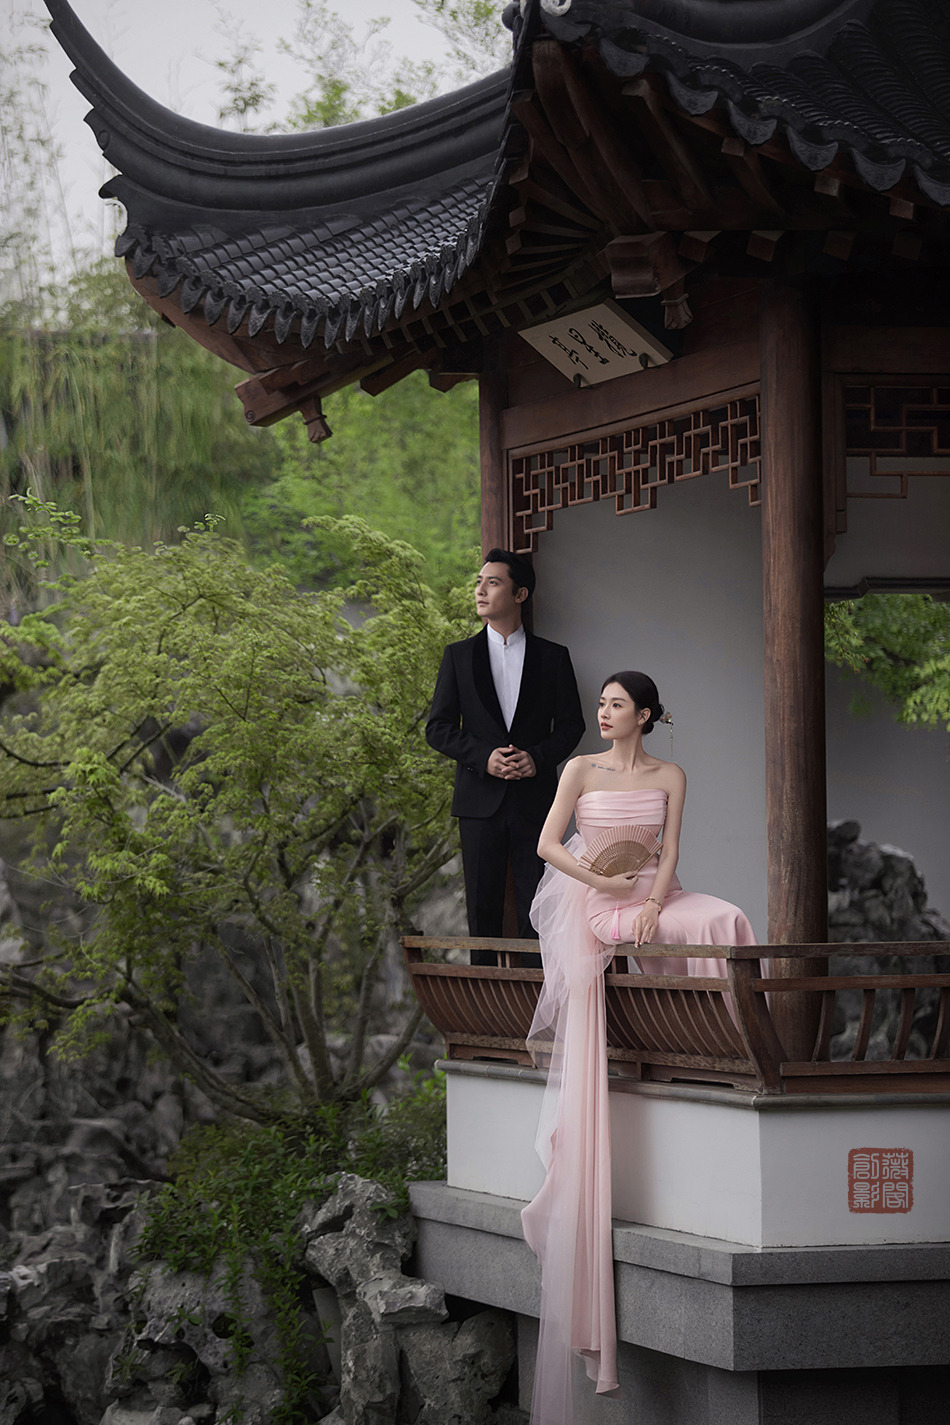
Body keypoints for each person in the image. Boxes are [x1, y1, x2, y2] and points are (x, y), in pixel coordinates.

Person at [521, 670, 756, 1425]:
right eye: (603, 703)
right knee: (653, 923)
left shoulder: (670, 775)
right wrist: (601, 879)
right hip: (599, 901)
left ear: (645, 715)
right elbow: (546, 843)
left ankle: (729, 1044)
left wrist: (655, 898)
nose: (605, 711)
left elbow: (672, 847)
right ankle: (694, 1038)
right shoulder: (579, 769)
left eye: (617, 704)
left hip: (658, 893)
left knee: (723, 918)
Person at [426, 549, 585, 964]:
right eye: (479, 582)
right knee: (482, 911)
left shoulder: (553, 657)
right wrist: (484, 757)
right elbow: (438, 728)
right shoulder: (458, 655)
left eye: (492, 582)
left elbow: (572, 725)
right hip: (478, 801)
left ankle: (537, 995)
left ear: (520, 594)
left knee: (538, 907)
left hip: (536, 801)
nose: (480, 590)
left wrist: (537, 758)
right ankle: (484, 1000)